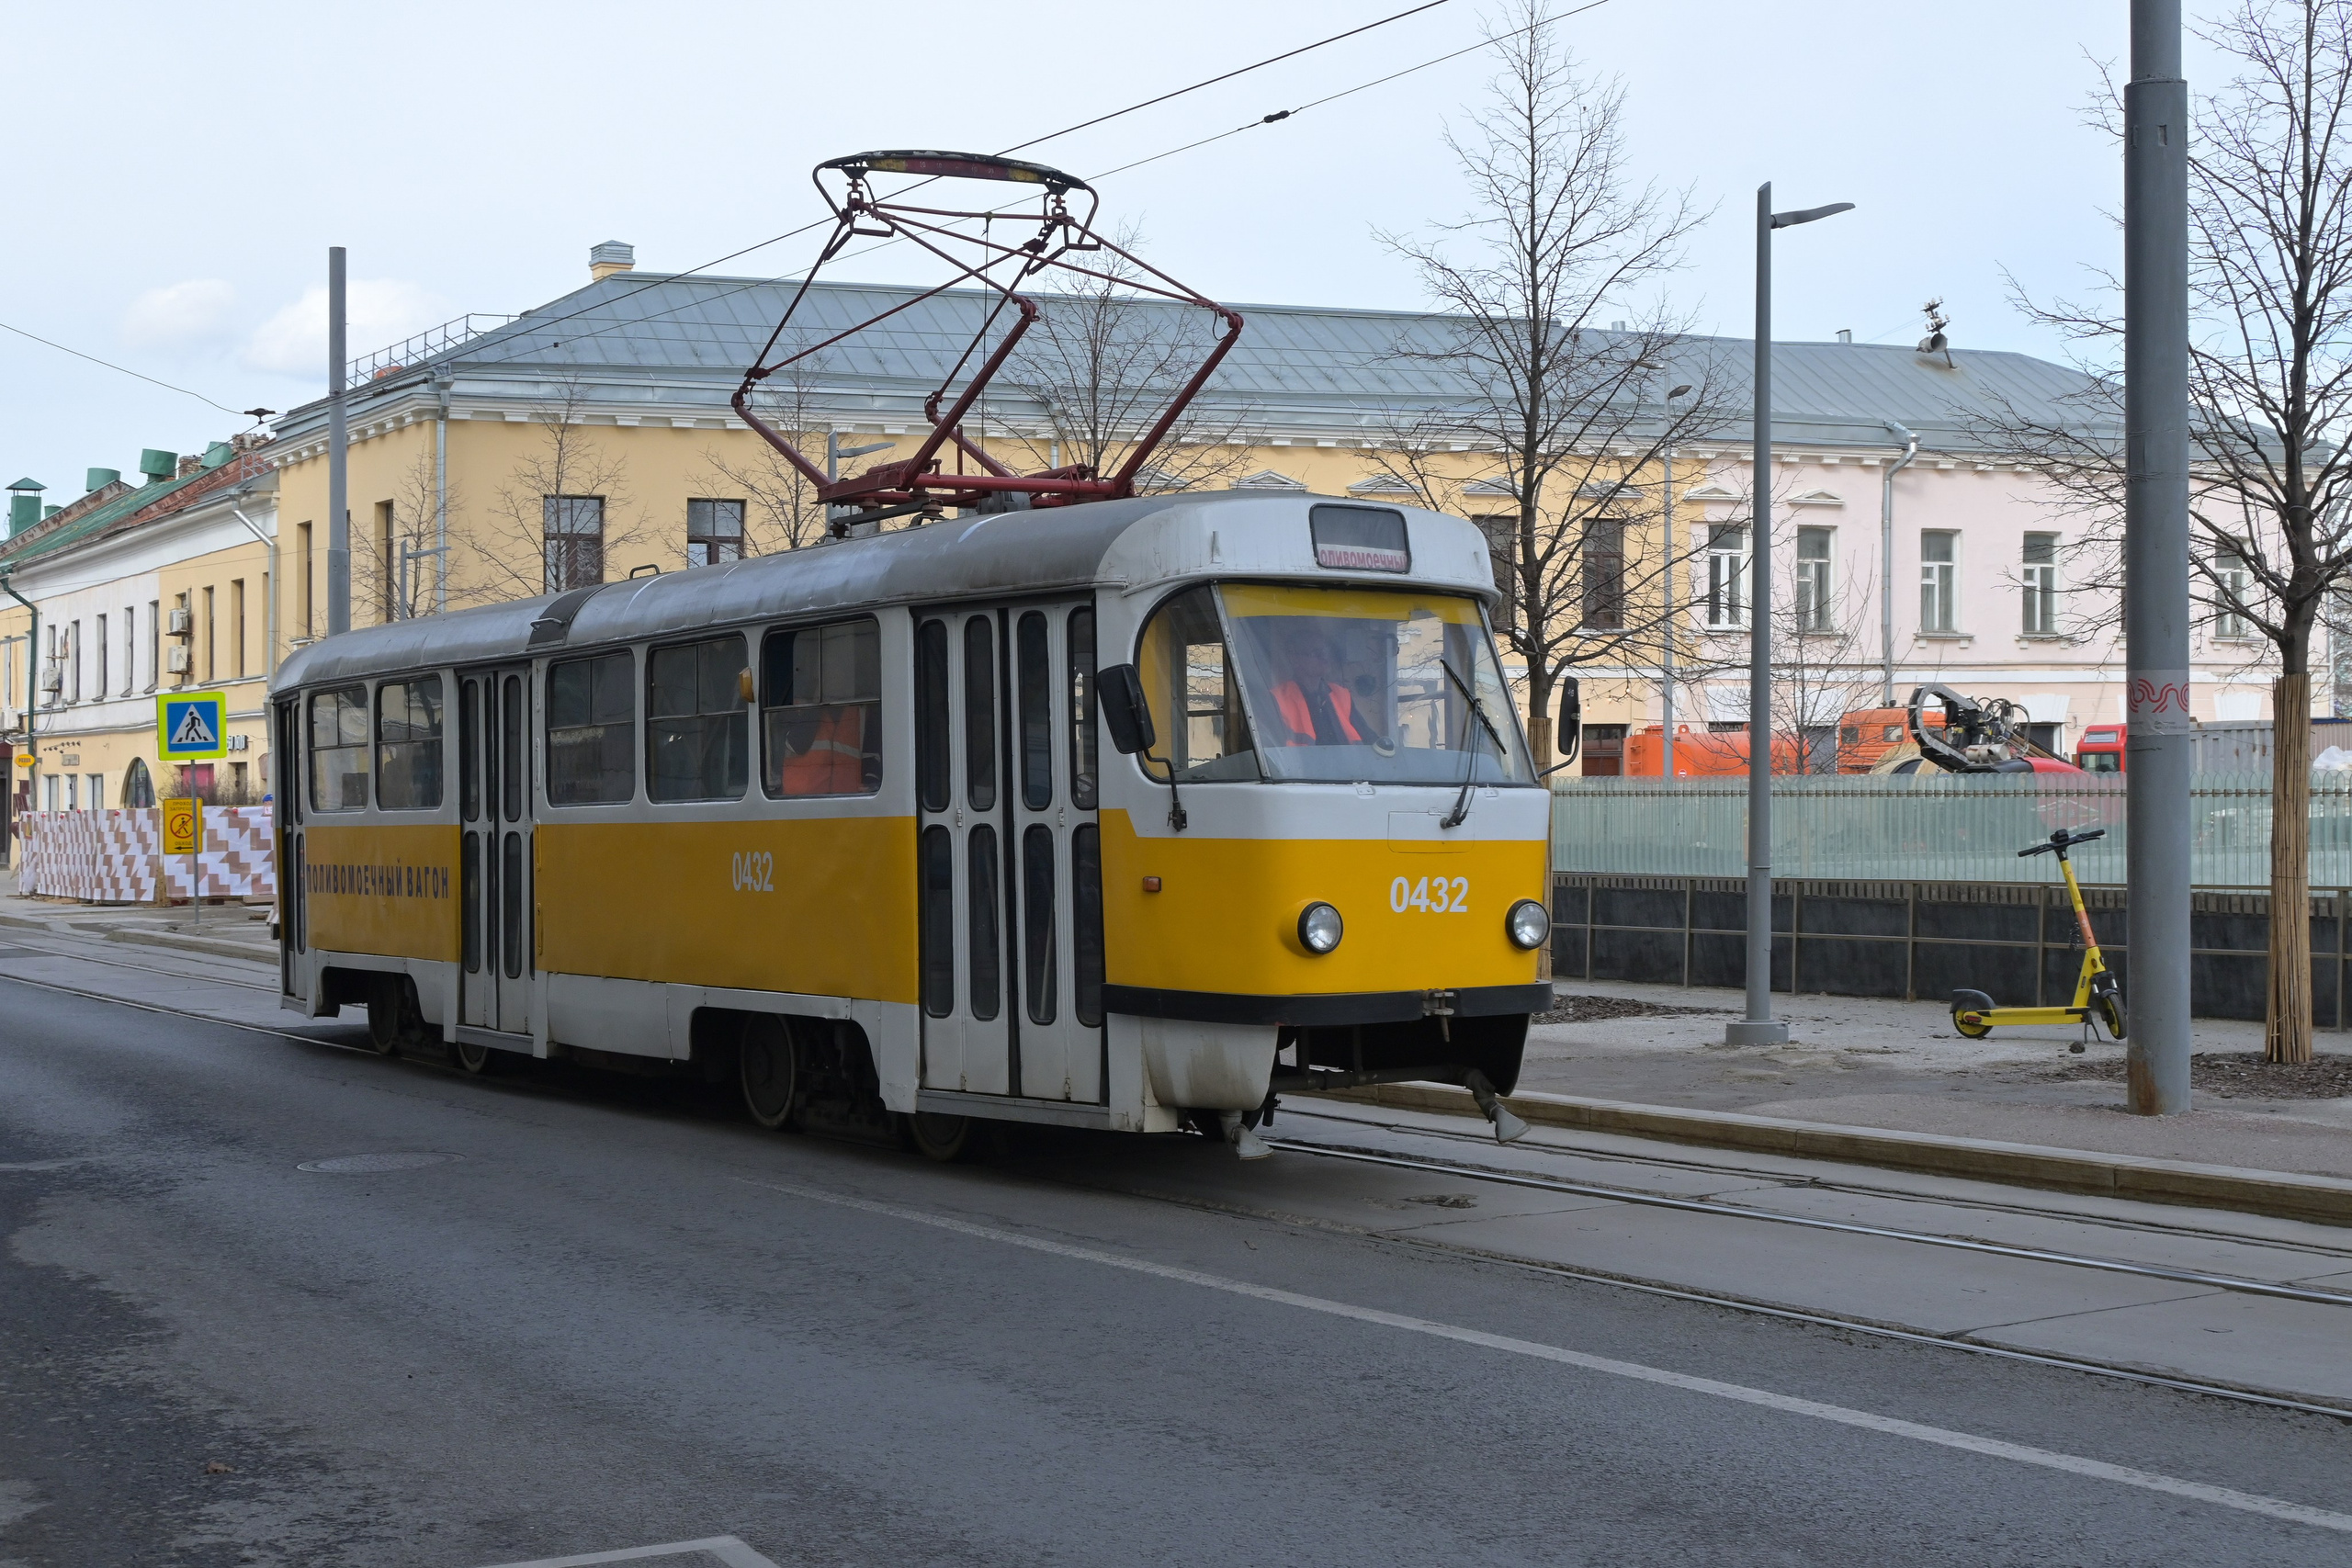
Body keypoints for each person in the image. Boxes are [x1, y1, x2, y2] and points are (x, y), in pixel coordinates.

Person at [1269, 623, 1374, 747]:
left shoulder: (1341, 696)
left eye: (1325, 651)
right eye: (1316, 653)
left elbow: (1369, 739)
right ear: (1295, 659)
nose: (1324, 657)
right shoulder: (1278, 699)